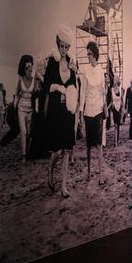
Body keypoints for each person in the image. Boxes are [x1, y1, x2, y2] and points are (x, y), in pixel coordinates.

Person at [44, 24, 78, 198]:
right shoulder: (52, 61)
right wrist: (59, 87)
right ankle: (50, 169)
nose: (64, 50)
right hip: (56, 111)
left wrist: (71, 93)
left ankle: (64, 186)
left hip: (67, 112)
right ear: (57, 44)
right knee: (57, 150)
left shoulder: (71, 63)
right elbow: (46, 86)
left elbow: (74, 85)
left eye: (67, 47)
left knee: (66, 149)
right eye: (61, 46)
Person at [78, 41, 107, 184]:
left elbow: (103, 91)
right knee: (89, 145)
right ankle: (89, 172)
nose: (88, 56)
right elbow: (82, 92)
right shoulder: (85, 71)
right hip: (88, 111)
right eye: (87, 54)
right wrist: (81, 112)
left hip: (99, 111)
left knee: (99, 145)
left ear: (95, 54)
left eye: (89, 54)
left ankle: (101, 175)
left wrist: (105, 107)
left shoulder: (101, 71)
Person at [13, 55, 37, 161]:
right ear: (24, 69)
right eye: (28, 69)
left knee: (29, 132)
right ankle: (23, 155)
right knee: (23, 130)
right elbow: (17, 94)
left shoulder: (34, 81)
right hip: (21, 108)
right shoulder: (20, 80)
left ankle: (27, 151)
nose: (30, 71)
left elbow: (36, 96)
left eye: (31, 69)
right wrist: (14, 105)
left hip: (30, 109)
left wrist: (36, 106)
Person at [111, 78, 124, 146]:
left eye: (115, 80)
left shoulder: (120, 89)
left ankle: (117, 139)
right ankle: (115, 141)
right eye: (114, 80)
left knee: (118, 125)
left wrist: (123, 109)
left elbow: (122, 100)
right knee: (115, 125)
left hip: (119, 109)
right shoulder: (112, 90)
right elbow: (111, 99)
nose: (114, 81)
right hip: (114, 109)